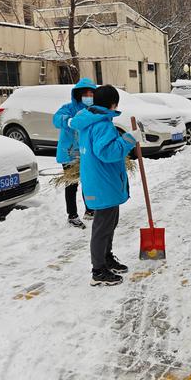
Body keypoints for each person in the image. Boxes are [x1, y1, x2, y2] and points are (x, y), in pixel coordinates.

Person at [69, 85, 142, 286]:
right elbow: (108, 153)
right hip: (103, 183)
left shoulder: (92, 121)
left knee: (109, 223)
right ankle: (98, 270)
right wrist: (128, 139)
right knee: (102, 227)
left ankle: (106, 257)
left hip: (101, 181)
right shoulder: (102, 125)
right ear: (113, 104)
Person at [52, 78, 97, 228]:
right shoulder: (69, 108)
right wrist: (69, 121)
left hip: (87, 153)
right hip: (70, 153)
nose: (88, 96)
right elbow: (56, 119)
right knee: (71, 184)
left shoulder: (94, 110)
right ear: (78, 94)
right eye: (85, 93)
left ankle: (90, 209)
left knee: (89, 181)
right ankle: (72, 215)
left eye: (91, 93)